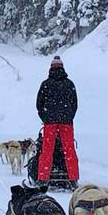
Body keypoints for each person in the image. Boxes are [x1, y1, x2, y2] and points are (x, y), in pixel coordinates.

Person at [35, 56, 79, 187]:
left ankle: (43, 178)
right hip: (66, 122)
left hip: (50, 122)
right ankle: (73, 178)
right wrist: (69, 116)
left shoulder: (45, 84)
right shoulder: (69, 84)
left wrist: (45, 117)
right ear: (62, 68)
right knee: (69, 150)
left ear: (51, 68)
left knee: (47, 150)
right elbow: (74, 104)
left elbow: (39, 104)